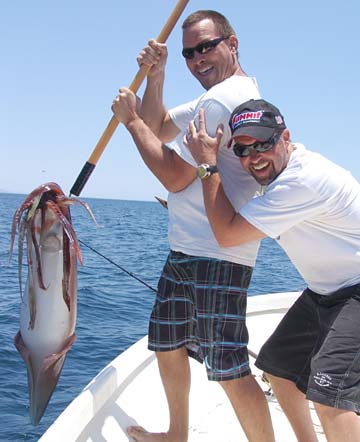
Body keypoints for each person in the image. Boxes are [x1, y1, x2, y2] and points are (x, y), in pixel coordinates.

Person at [112, 10, 275, 442]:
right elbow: (160, 127)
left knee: (229, 369)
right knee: (167, 345)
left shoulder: (223, 100)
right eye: (188, 52)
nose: (198, 58)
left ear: (232, 43)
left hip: (217, 254)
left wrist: (129, 122)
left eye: (207, 46)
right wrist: (157, 75)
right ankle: (176, 435)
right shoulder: (214, 98)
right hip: (184, 248)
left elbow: (175, 175)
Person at [184, 98, 360, 442]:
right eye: (243, 150)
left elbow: (227, 234)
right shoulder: (275, 178)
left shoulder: (302, 180)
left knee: (329, 396)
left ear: (286, 137)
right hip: (325, 292)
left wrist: (207, 163)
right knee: (278, 368)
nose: (254, 157)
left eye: (263, 144)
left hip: (355, 290)